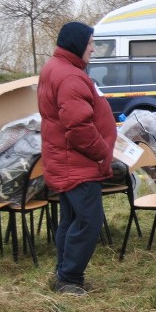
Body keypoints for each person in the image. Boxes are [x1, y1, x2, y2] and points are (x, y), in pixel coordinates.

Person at [38, 21, 117, 296]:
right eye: (90, 44)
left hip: (67, 162)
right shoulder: (70, 76)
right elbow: (78, 126)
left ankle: (64, 273)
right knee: (87, 222)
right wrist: (102, 152)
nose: (93, 50)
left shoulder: (57, 68)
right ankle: (70, 279)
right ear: (77, 44)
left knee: (71, 220)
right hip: (79, 164)